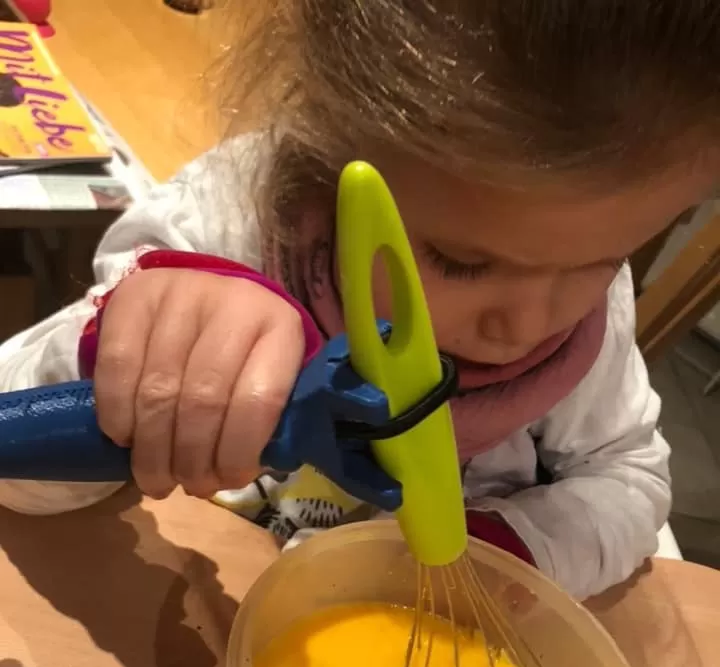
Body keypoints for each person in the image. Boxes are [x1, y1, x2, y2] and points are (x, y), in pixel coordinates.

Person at [0, 1, 717, 600]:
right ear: (330, 152)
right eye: (462, 262)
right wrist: (128, 364)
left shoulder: (586, 316)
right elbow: (22, 489)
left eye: (604, 261)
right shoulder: (227, 229)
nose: (528, 324)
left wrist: (513, 552)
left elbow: (628, 478)